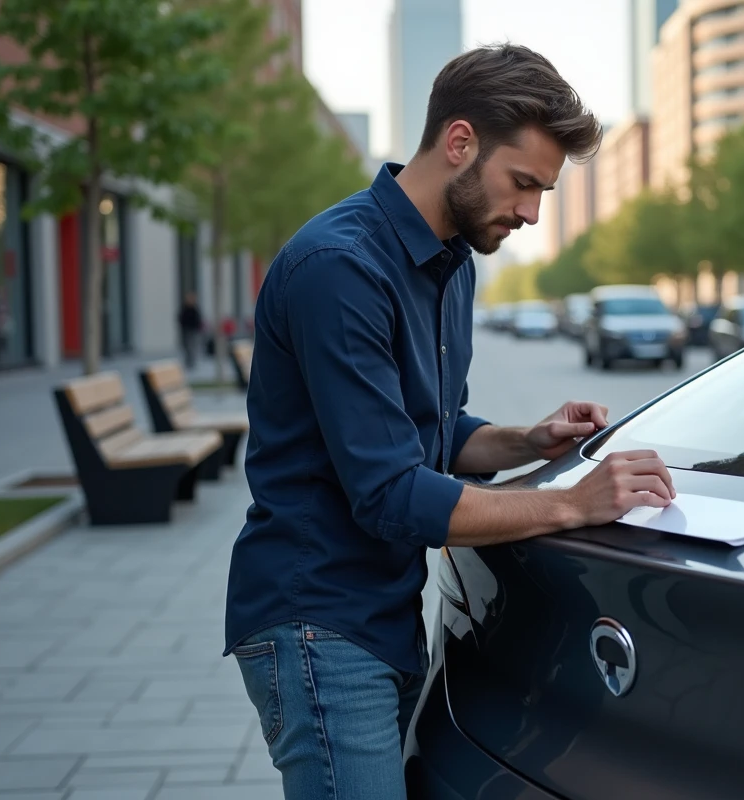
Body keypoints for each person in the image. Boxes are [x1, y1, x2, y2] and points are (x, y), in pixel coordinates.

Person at [223, 44, 676, 800]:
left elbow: (437, 431)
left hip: (385, 614)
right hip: (317, 623)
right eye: (523, 183)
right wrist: (573, 503)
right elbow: (393, 493)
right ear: (459, 143)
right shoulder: (340, 269)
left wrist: (528, 440)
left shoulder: (451, 261)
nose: (532, 212)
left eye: (545, 192)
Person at [177, 291, 202, 368]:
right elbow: (180, 318)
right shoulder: (184, 308)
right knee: (187, 346)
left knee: (193, 346)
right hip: (186, 330)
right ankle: (188, 361)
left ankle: (192, 361)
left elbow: (198, 320)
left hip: (193, 330)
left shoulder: (195, 309)